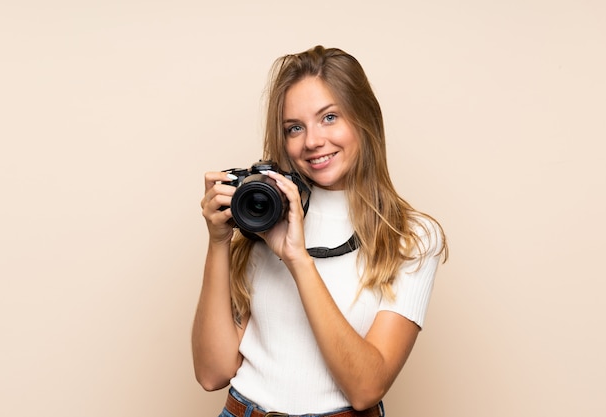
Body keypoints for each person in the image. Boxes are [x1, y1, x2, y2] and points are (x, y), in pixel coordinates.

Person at [192, 45, 448, 417]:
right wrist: (219, 242)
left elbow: (365, 389)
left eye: (329, 118)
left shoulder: (412, 236)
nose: (312, 141)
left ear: (364, 119)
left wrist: (297, 258)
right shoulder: (265, 210)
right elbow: (211, 373)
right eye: (294, 128)